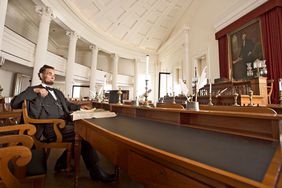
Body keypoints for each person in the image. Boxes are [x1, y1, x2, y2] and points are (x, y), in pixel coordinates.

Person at [11, 64, 116, 182]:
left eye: (54, 75)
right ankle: (95, 172)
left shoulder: (57, 92)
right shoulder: (33, 89)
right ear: (41, 75)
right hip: (49, 128)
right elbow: (14, 104)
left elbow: (68, 105)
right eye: (50, 74)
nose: (53, 76)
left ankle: (61, 163)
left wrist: (81, 107)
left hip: (65, 124)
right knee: (83, 135)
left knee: (85, 132)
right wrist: (35, 90)